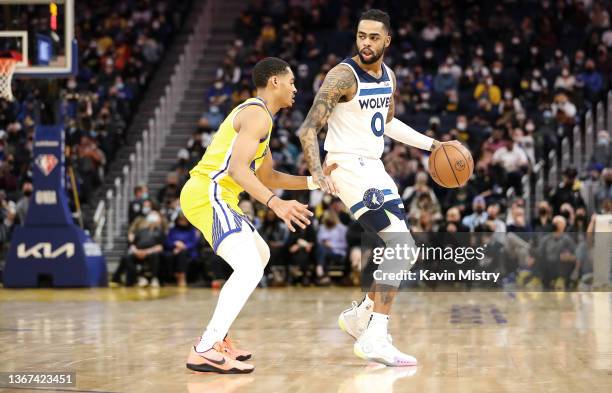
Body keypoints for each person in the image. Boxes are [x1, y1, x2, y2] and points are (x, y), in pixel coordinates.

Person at [297, 9, 459, 367]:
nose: (366, 43)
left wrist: (432, 145)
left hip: (374, 168)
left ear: (387, 40)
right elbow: (308, 128)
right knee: (401, 247)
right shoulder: (342, 75)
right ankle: (375, 336)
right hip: (349, 167)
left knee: (407, 251)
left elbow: (386, 123)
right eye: (360, 36)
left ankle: (360, 317)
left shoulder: (389, 76)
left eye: (373, 37)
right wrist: (318, 173)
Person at [180, 57, 336, 374]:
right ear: (274, 82)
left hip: (220, 197)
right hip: (207, 193)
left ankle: (219, 338)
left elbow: (268, 177)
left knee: (260, 254)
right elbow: (238, 170)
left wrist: (314, 180)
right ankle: (205, 348)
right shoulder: (256, 114)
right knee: (249, 266)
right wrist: (275, 204)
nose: (295, 88)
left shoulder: (263, 119)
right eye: (291, 82)